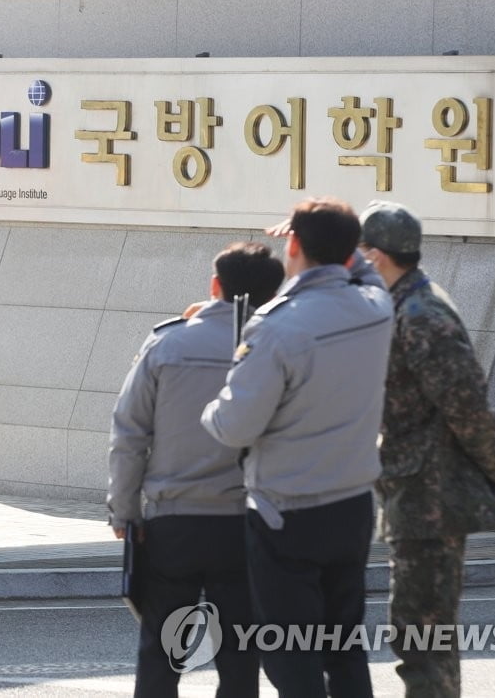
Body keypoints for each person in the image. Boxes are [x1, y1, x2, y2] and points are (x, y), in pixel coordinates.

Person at [201, 197, 393, 698]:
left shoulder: (276, 326)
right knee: (344, 644)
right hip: (352, 504)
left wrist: (213, 404)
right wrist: (337, 241)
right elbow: (365, 271)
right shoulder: (376, 306)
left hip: (287, 513)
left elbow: (234, 426)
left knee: (290, 653)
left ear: (293, 244)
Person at [358, 200, 495, 697]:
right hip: (416, 492)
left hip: (430, 498)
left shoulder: (421, 313)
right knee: (423, 635)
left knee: (422, 638)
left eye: (362, 252)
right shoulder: (407, 301)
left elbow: (468, 406)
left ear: (378, 254)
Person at [109, 241, 286, 698]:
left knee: (162, 649)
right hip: (246, 523)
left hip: (173, 522)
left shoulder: (168, 342)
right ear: (274, 291)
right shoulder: (281, 348)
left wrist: (125, 512)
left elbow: (130, 433)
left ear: (215, 285)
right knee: (241, 651)